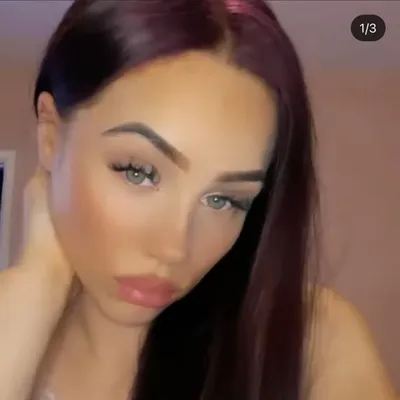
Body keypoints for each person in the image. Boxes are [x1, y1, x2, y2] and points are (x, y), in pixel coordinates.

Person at [0, 0, 396, 399]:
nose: (174, 248)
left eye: (224, 200)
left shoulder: (308, 336)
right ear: (50, 135)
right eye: (139, 172)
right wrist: (39, 282)